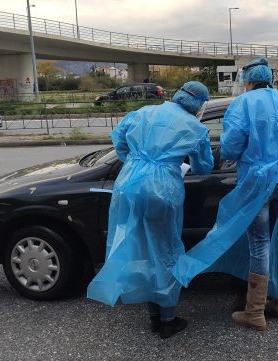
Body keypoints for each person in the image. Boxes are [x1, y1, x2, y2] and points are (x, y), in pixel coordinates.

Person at [171, 58, 278, 331]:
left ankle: (255, 312)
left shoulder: (243, 103)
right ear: (270, 78)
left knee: (259, 242)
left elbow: (232, 147)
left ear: (247, 80)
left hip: (258, 179)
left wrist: (234, 154)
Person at [86, 81, 214, 339]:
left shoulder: (143, 112)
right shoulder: (196, 129)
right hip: (162, 190)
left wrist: (138, 163)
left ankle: (152, 314)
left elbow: (119, 142)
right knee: (165, 251)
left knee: (138, 249)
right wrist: (171, 164)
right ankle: (167, 319)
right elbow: (204, 168)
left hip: (128, 184)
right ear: (199, 104)